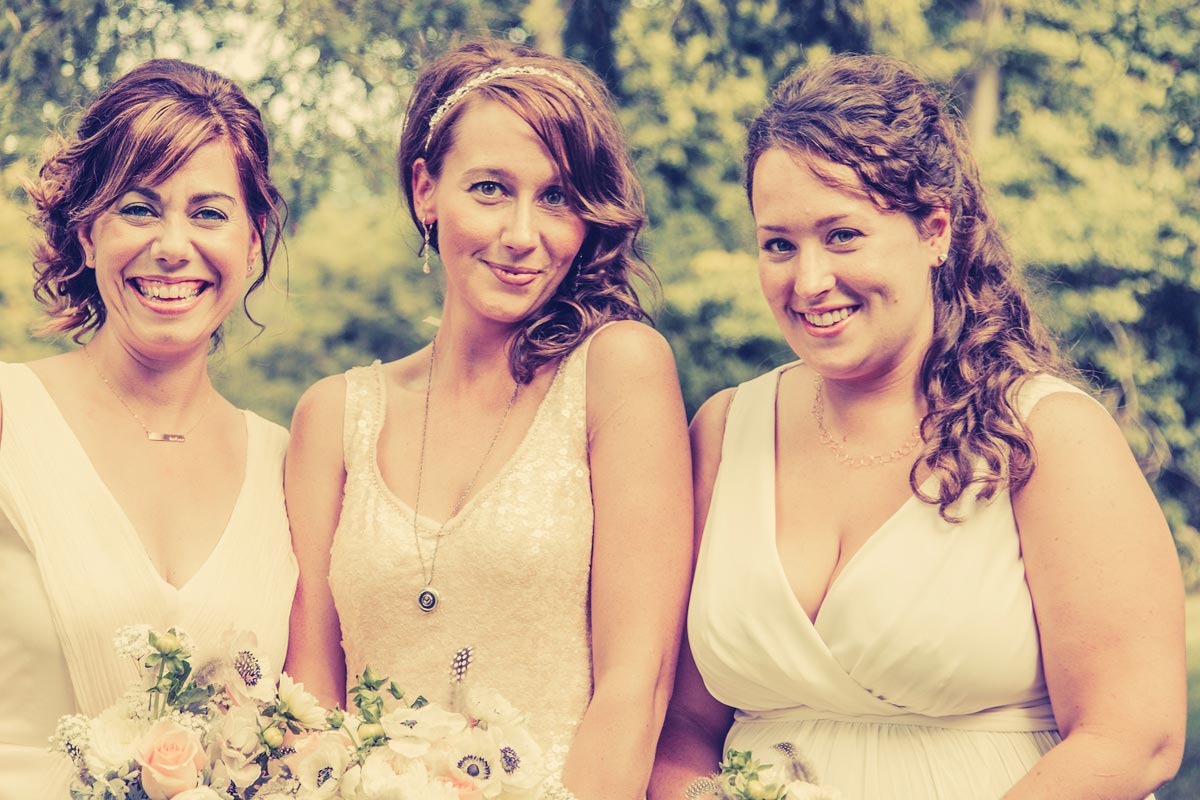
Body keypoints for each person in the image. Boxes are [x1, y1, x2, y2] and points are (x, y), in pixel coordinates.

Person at [649, 54, 1185, 800]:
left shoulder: (1049, 436)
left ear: (935, 227)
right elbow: (680, 727)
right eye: (779, 243)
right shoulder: (724, 430)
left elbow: (1135, 737)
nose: (808, 281)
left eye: (842, 236)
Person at [284, 39, 693, 799]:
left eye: (559, 198)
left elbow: (639, 686)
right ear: (425, 191)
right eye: (490, 189)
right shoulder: (333, 416)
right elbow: (312, 698)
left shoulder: (618, 372)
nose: (523, 235)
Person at [0, 59, 298, 797]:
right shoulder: (10, 415)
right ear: (86, 230)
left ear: (253, 239)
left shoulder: (290, 466)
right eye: (138, 207)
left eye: (209, 213)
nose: (173, 245)